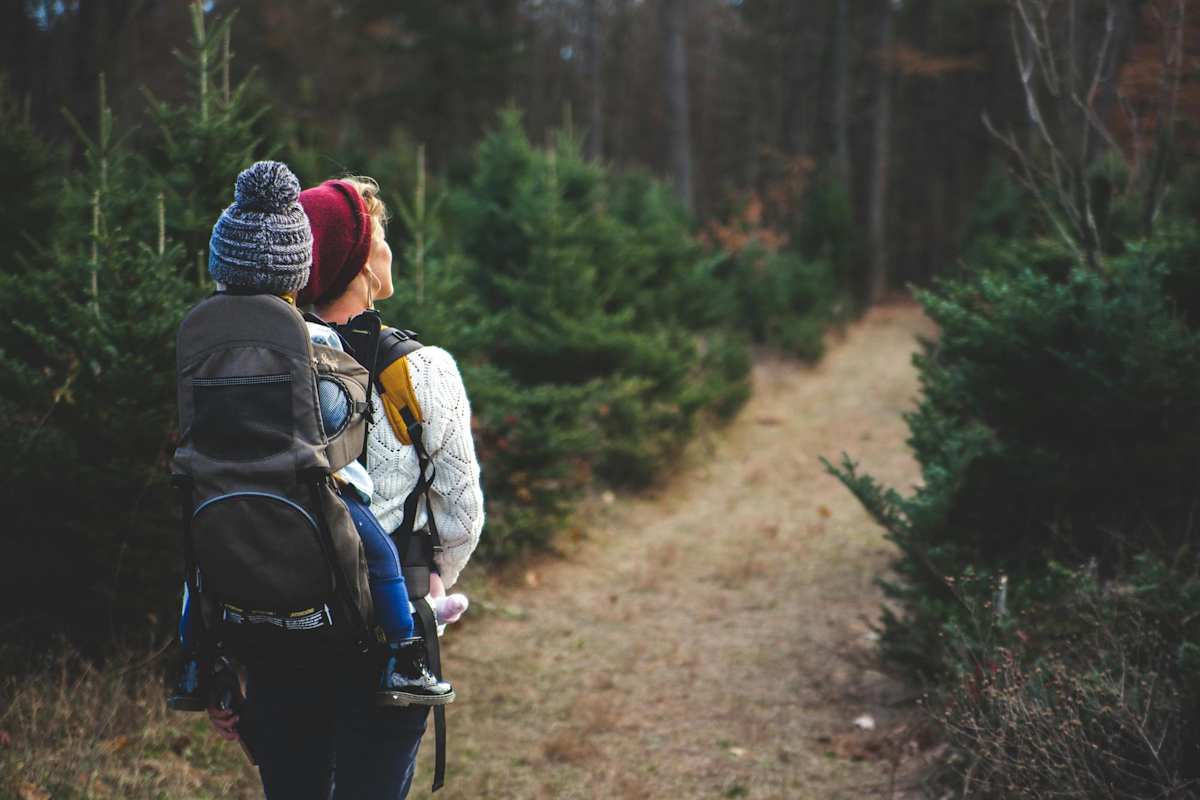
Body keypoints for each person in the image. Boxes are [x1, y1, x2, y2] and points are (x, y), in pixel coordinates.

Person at [207, 170, 485, 799]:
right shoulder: (421, 370)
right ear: (360, 262)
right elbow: (461, 514)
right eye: (380, 236)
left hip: (280, 633)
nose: (389, 248)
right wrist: (429, 585)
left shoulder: (256, 366)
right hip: (386, 643)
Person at [167, 161, 453, 713]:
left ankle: (195, 663)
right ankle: (404, 654)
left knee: (197, 565)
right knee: (377, 550)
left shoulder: (203, 335)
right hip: (301, 481)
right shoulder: (309, 337)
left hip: (215, 481)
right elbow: (333, 413)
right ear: (296, 273)